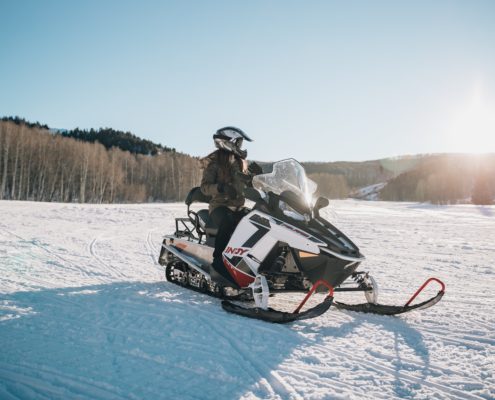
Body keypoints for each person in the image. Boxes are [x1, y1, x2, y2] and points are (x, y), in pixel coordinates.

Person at [200, 126, 262, 287]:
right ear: (228, 142)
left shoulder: (241, 162)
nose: (240, 146)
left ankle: (252, 263)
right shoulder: (214, 163)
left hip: (238, 207)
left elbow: (247, 184)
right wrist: (220, 188)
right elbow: (204, 187)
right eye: (238, 142)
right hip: (219, 207)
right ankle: (218, 263)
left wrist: (255, 176)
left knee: (257, 223)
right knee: (227, 222)